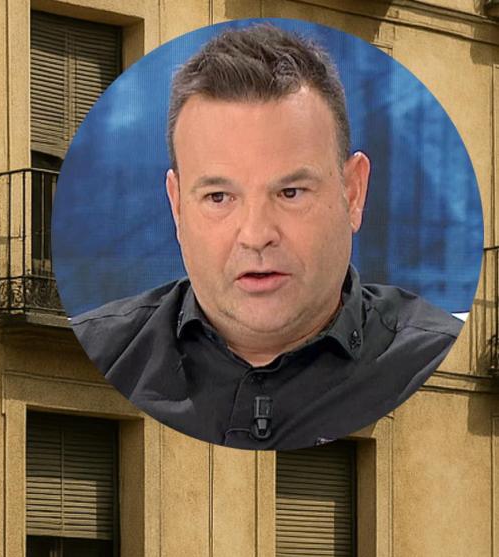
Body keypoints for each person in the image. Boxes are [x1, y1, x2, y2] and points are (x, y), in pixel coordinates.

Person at [70, 23, 462, 450]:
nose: (256, 236)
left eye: (290, 192)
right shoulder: (100, 353)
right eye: (219, 196)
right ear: (177, 205)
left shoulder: (432, 362)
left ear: (353, 192)